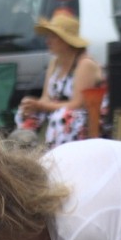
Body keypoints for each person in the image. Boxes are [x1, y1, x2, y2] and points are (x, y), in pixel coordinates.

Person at [14, 12, 105, 147]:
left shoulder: (85, 64)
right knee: (25, 112)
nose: (47, 41)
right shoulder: (55, 63)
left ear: (66, 41)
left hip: (88, 117)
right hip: (59, 109)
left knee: (63, 117)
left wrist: (42, 106)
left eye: (53, 37)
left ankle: (57, 157)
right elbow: (46, 98)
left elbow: (78, 104)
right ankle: (27, 155)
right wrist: (33, 105)